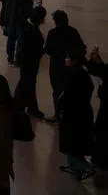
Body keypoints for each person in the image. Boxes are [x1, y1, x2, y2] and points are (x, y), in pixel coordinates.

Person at [58, 49, 96, 180]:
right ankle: (75, 167)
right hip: (80, 113)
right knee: (76, 143)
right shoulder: (81, 73)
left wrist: (63, 110)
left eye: (68, 58)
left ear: (74, 61)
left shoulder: (74, 75)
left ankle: (83, 167)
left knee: (72, 142)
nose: (65, 59)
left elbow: (68, 95)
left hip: (74, 115)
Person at [44, 9, 85, 123]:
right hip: (71, 66)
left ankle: (58, 114)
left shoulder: (53, 33)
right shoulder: (73, 31)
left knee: (57, 90)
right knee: (70, 90)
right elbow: (81, 48)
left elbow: (48, 50)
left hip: (56, 66)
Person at [14, 6, 47, 119]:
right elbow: (27, 48)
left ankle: (23, 106)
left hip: (29, 61)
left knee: (26, 82)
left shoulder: (27, 27)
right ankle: (27, 107)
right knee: (27, 82)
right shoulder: (28, 30)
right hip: (29, 61)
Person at [0, 0, 33, 65]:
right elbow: (29, 9)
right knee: (20, 40)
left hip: (10, 19)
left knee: (11, 39)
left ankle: (10, 57)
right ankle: (18, 59)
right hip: (22, 21)